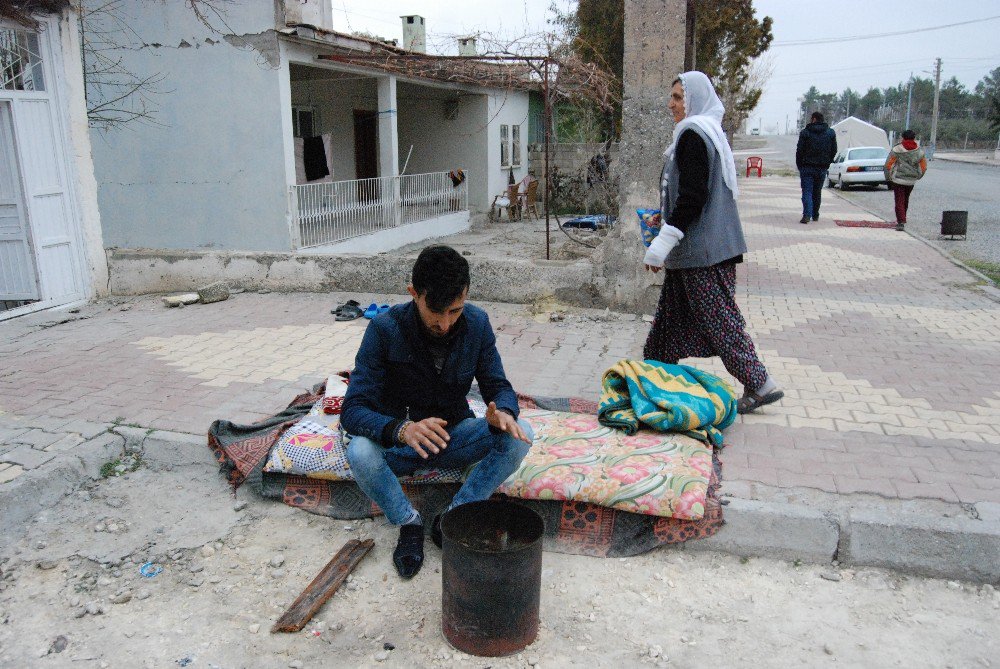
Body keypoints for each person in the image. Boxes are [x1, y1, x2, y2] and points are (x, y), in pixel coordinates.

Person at [340, 245, 533, 579]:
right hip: (399, 448)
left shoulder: (477, 323)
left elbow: (498, 384)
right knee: (358, 450)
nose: (445, 323)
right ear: (414, 293)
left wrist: (502, 412)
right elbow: (353, 410)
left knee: (522, 435)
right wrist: (401, 429)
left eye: (455, 311)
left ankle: (454, 515)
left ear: (466, 296)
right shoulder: (384, 330)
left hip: (451, 440)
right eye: (437, 312)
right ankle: (408, 522)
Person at [642, 71, 783, 415]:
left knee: (720, 321)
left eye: (678, 97)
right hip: (697, 250)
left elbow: (694, 197)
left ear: (695, 100)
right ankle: (655, 381)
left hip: (702, 253)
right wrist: (665, 217)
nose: (671, 104)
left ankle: (760, 384)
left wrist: (662, 242)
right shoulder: (703, 133)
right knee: (667, 327)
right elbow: (693, 194)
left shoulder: (693, 134)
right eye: (672, 96)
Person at [795, 111, 837, 224]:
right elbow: (834, 150)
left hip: (807, 167)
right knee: (817, 191)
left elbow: (799, 151)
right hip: (822, 167)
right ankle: (815, 214)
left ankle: (807, 215)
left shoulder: (805, 133)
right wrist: (827, 162)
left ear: (813, 119)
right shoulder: (830, 133)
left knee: (807, 191)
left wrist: (800, 165)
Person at [883, 129, 927, 231]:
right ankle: (903, 218)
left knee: (899, 200)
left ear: (903, 138)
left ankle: (901, 222)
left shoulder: (897, 149)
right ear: (914, 138)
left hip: (898, 179)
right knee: (905, 200)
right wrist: (918, 176)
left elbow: (888, 165)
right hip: (911, 180)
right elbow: (924, 167)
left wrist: (888, 178)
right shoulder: (919, 152)